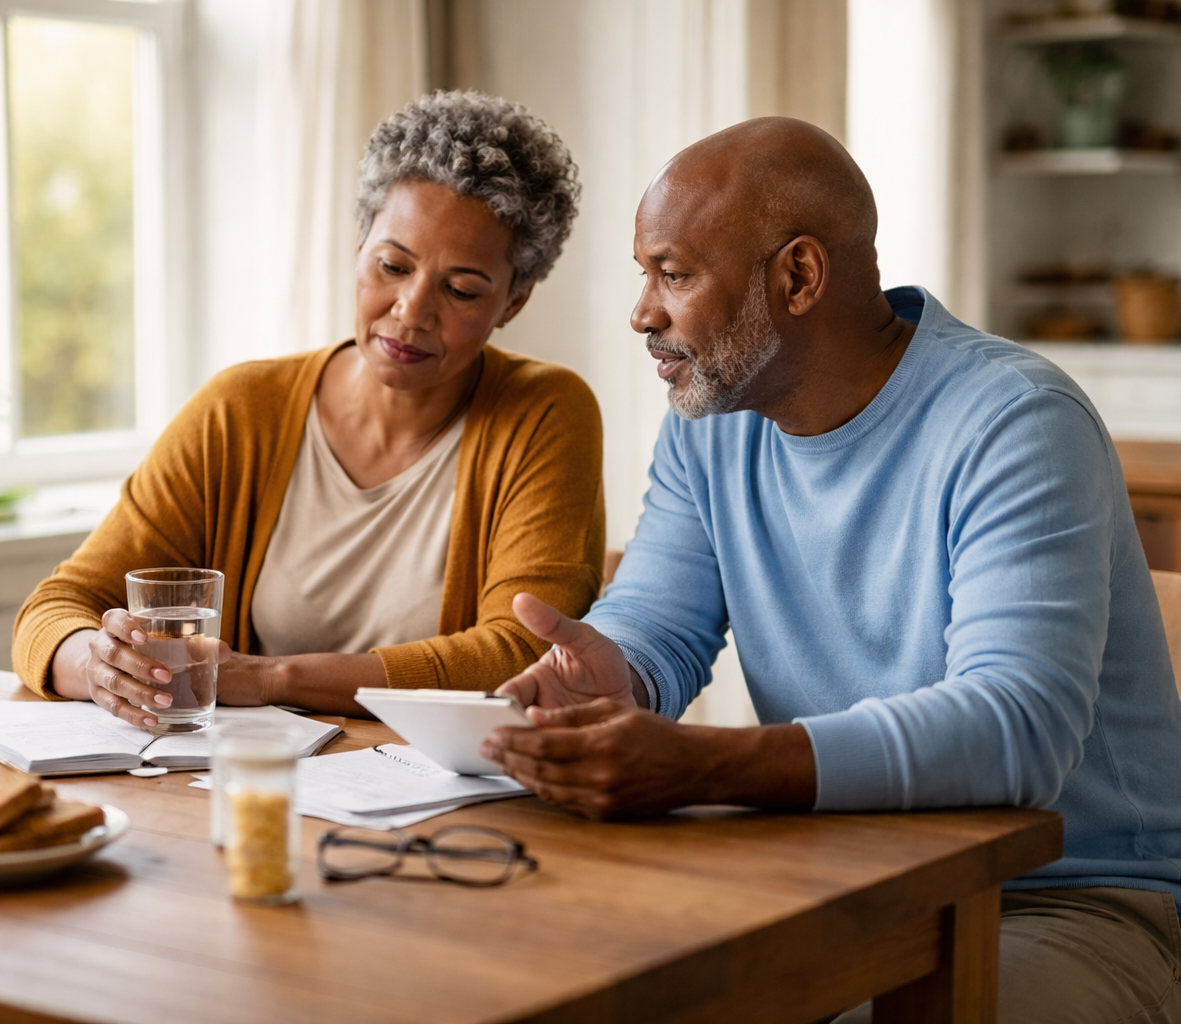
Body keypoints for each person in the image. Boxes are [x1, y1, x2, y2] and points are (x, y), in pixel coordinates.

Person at [479, 117, 1181, 1023]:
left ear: (799, 277)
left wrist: (706, 767)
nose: (642, 312)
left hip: (1066, 898)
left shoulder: (1015, 420)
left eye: (674, 273)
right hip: (836, 870)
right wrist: (611, 673)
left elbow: (1019, 730)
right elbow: (658, 621)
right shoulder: (711, 420)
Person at [12, 91, 604, 723]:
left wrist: (269, 679)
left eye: (460, 290)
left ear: (513, 302)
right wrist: (98, 664)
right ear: (358, 245)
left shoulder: (545, 412)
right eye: (392, 265)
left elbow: (521, 654)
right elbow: (56, 608)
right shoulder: (240, 411)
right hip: (250, 784)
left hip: (443, 798)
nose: (411, 313)